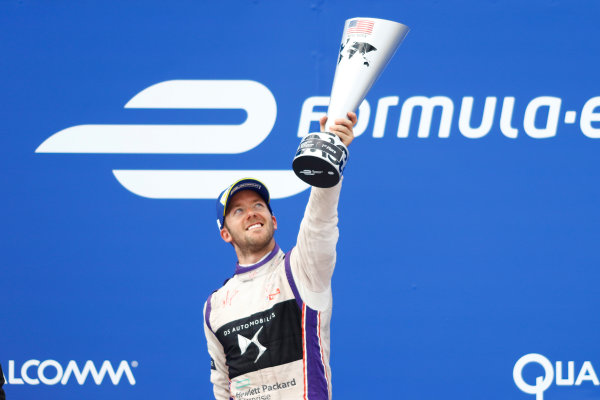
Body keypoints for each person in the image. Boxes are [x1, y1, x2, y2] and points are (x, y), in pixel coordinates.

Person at [203, 112, 357, 400]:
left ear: (273, 220)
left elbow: (319, 221)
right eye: (238, 210)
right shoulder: (214, 306)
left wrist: (328, 159)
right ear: (225, 233)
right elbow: (222, 389)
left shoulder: (302, 270)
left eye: (258, 204)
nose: (251, 212)